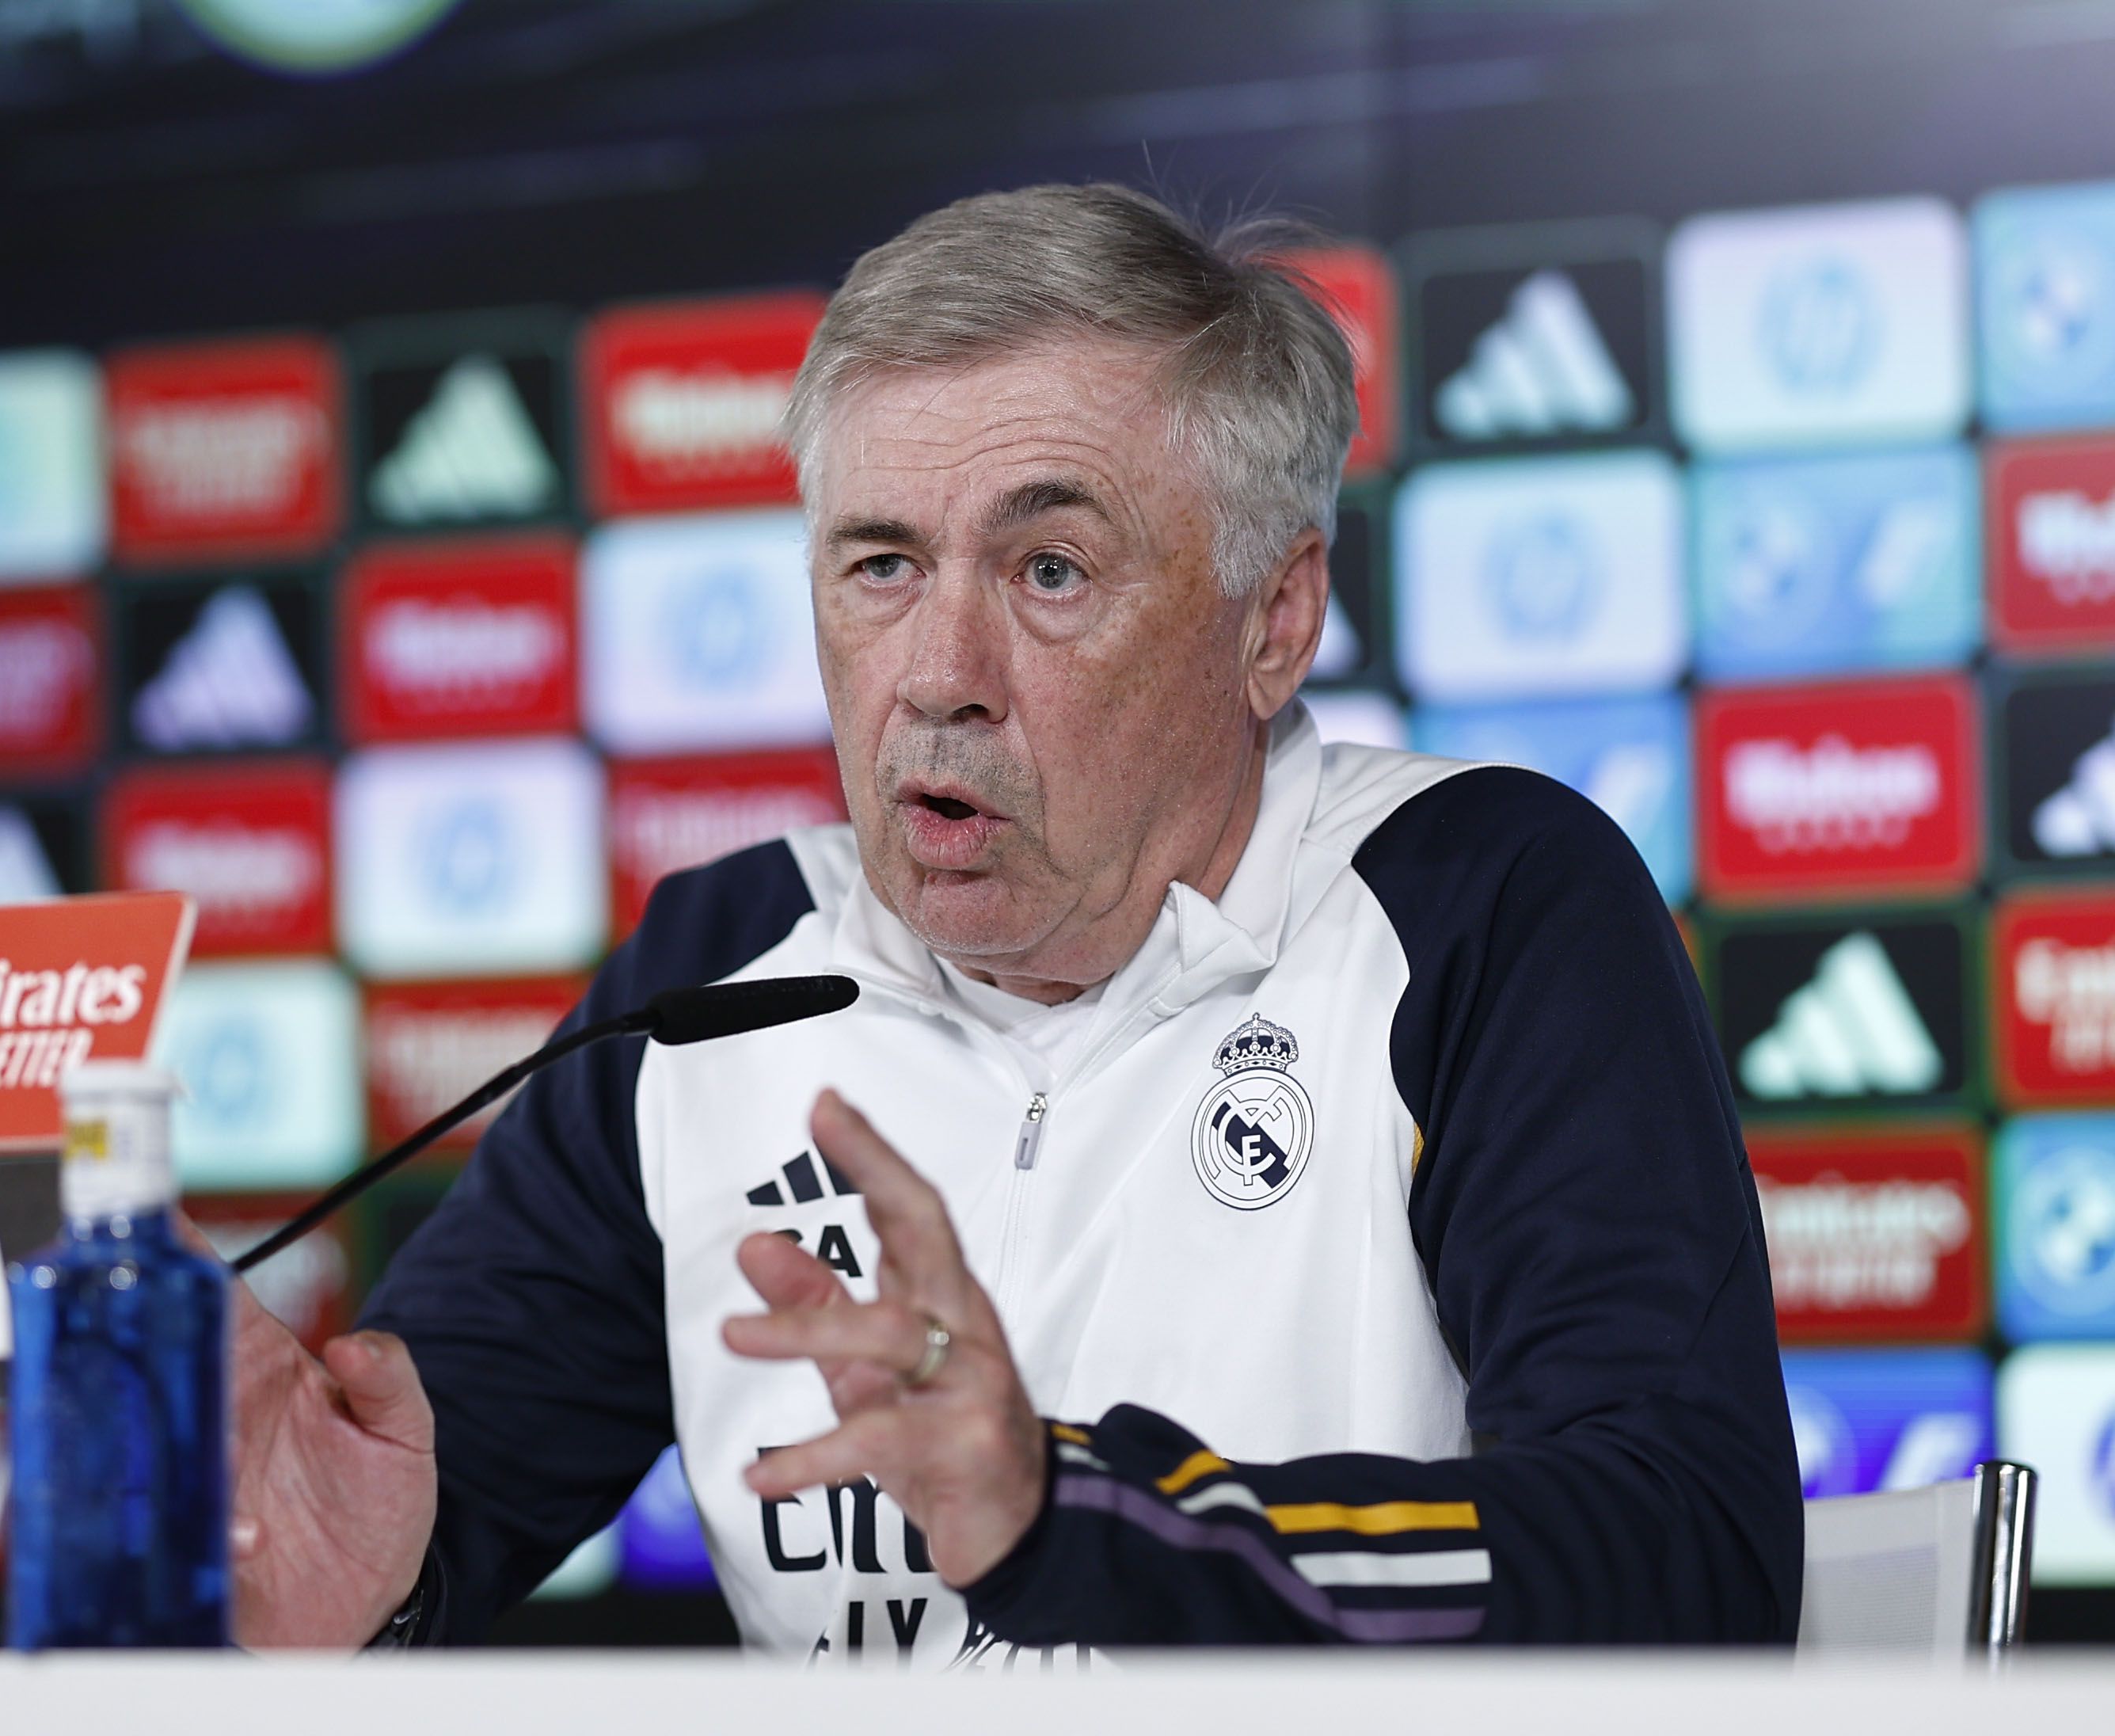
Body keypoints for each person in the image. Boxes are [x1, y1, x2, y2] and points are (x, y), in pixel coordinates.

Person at [223, 183, 1801, 1660]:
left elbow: (1684, 1553)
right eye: (881, 565)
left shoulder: (1480, 905)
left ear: (1274, 620)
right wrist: (345, 1568)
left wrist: (1064, 1517)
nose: (935, 671)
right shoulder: (710, 980)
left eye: (1048, 567)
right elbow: (427, 1504)